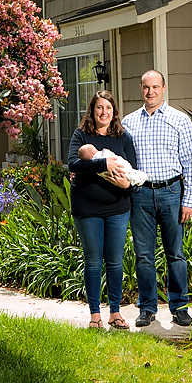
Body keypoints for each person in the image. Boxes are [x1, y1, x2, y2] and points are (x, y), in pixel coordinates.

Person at [121, 70, 192, 328]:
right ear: (140, 89)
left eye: (155, 87)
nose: (150, 92)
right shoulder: (129, 122)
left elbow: (191, 164)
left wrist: (189, 200)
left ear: (164, 87)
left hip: (171, 193)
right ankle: (147, 308)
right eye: (146, 87)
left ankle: (180, 308)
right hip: (140, 194)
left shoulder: (180, 120)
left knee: (175, 254)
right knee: (143, 254)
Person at [67, 90, 136, 330]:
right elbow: (73, 163)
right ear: (92, 111)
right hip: (88, 208)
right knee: (93, 260)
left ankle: (115, 312)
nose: (103, 112)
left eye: (108, 108)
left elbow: (133, 169)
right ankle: (95, 314)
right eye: (99, 108)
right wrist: (103, 163)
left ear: (114, 112)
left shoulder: (123, 137)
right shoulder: (81, 135)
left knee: (115, 261)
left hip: (118, 207)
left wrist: (127, 183)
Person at [78, 144, 147, 187]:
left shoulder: (93, 165)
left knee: (129, 175)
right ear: (93, 152)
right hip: (120, 168)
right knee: (131, 173)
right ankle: (142, 178)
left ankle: (136, 181)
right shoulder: (100, 155)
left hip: (114, 175)